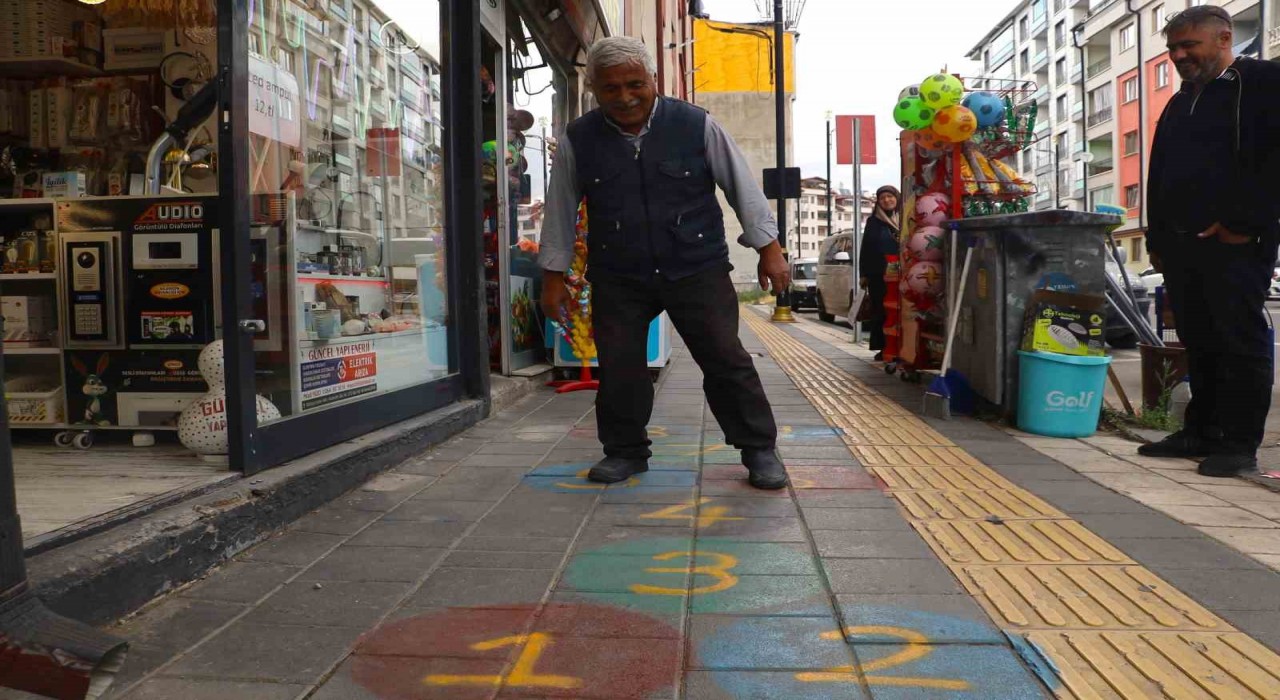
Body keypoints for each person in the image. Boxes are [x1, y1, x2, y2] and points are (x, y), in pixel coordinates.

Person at [538, 36, 790, 489]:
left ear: (653, 79)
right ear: (593, 87)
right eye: (610, 89)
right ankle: (625, 452)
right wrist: (553, 277)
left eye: (635, 84)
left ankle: (758, 450)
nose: (625, 97)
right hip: (618, 271)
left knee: (725, 358)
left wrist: (768, 248)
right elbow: (560, 209)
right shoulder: (579, 139)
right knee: (619, 367)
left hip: (696, 266)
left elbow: (742, 187)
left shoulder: (696, 124)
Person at [1142, 5, 1280, 477]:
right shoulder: (1183, 99)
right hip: (1181, 244)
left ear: (1224, 38)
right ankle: (1200, 430)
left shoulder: (1263, 82)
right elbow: (1159, 171)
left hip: (1237, 241)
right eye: (1173, 49)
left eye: (1189, 46)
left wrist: (1248, 221)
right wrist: (1155, 236)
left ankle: (1239, 444)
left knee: (1238, 341)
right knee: (1198, 339)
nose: (1179, 56)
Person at [858, 185, 901, 361]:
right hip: (879, 275)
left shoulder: (906, 217)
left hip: (903, 273)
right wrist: (864, 274)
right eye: (882, 198)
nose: (886, 200)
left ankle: (902, 347)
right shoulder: (873, 222)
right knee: (881, 310)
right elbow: (866, 249)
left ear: (897, 198)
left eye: (890, 196)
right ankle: (884, 347)